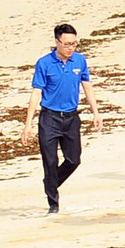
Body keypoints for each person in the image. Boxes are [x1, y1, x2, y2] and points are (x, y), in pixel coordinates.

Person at [22, 24, 103, 214]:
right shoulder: (44, 63)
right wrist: (28, 124)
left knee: (74, 160)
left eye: (74, 44)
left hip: (71, 118)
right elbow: (36, 92)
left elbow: (87, 87)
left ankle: (50, 183)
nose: (70, 48)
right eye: (67, 44)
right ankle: (53, 203)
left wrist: (96, 113)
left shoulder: (80, 60)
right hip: (49, 118)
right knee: (50, 161)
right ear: (57, 42)